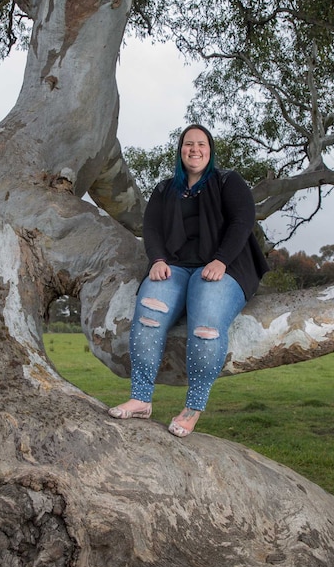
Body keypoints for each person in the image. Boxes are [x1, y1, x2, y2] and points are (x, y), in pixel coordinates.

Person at [108, 124, 268, 437]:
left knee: (206, 328)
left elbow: (243, 221)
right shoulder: (165, 189)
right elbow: (151, 228)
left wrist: (221, 260)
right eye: (188, 144)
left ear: (210, 150)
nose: (194, 150)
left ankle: (192, 407)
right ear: (180, 150)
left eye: (201, 144)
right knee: (150, 314)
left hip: (224, 266)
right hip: (175, 267)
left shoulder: (228, 181)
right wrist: (156, 260)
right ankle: (140, 398)